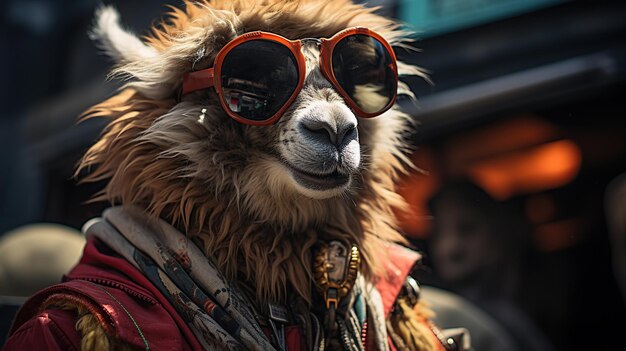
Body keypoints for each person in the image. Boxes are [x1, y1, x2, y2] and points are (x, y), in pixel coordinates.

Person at [427, 181, 554, 351]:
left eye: (467, 229)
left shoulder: (512, 319)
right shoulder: (430, 314)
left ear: (498, 234)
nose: (449, 247)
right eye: (438, 233)